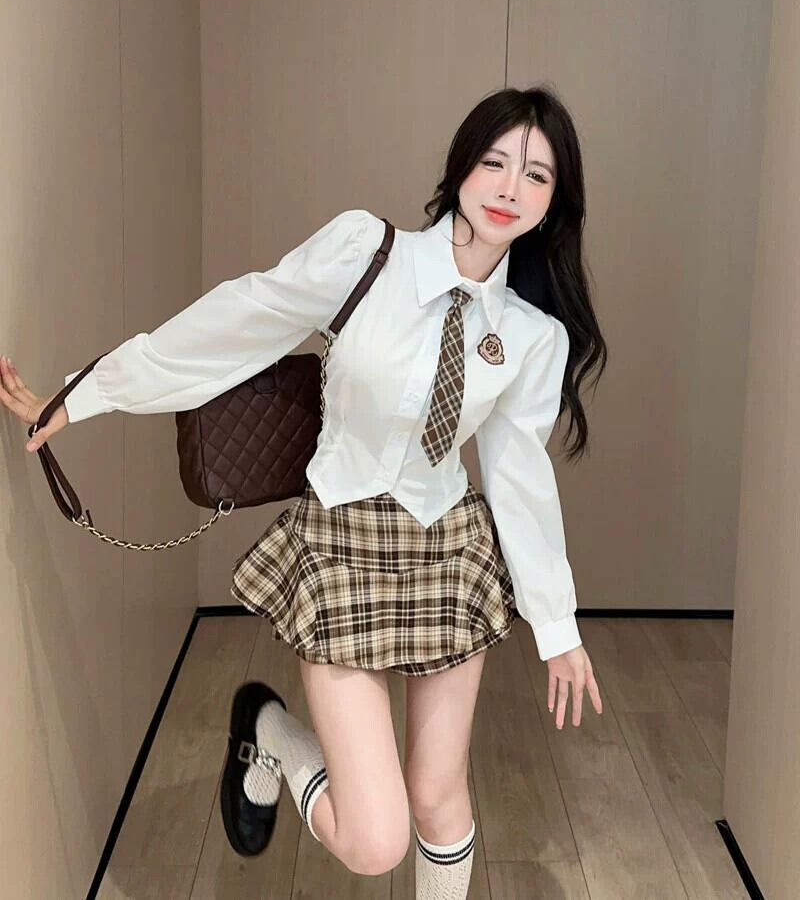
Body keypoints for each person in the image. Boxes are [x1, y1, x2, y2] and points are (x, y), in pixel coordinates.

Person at [1, 85, 606, 897]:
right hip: (342, 547)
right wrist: (87, 390)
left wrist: (558, 626)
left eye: (535, 175)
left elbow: (517, 475)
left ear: (553, 201)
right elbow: (235, 323)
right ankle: (270, 731)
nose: (508, 189)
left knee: (437, 797)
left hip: (449, 552)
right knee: (376, 840)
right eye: (495, 162)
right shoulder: (367, 253)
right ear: (462, 164)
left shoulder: (532, 336)